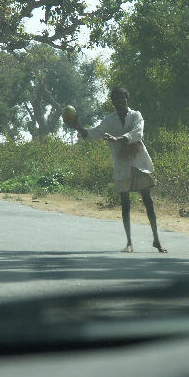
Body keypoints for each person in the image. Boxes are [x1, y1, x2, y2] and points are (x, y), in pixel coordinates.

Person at [68, 87, 167, 253]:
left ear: (127, 99)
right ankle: (129, 242)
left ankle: (157, 240)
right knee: (125, 204)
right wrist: (79, 127)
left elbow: (138, 133)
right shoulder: (109, 121)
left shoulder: (136, 115)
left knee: (148, 202)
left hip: (138, 162)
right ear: (113, 102)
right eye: (116, 99)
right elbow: (93, 134)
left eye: (123, 98)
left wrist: (118, 139)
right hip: (122, 164)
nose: (120, 101)